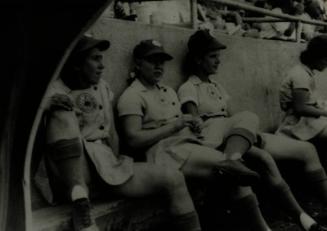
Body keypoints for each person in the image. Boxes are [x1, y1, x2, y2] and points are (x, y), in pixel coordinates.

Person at [117, 39, 283, 231]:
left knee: (236, 172)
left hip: (186, 143)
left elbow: (179, 123)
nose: (158, 66)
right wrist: (174, 127)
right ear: (138, 63)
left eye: (162, 61)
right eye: (152, 60)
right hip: (163, 153)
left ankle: (263, 227)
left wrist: (192, 123)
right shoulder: (132, 96)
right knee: (234, 172)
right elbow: (133, 139)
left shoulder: (167, 90)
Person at [44, 35, 204, 231]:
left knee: (173, 178)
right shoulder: (53, 91)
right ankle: (81, 207)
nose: (102, 65)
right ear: (76, 64)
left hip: (106, 167)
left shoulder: (102, 86)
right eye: (95, 59)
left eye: (101, 58)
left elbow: (112, 133)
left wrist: (118, 162)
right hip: (76, 173)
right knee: (61, 111)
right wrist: (46, 104)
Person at [177, 29, 327, 231]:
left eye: (218, 56)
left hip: (237, 135)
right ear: (197, 59)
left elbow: (232, 117)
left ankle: (306, 218)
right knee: (263, 160)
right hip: (217, 140)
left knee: (307, 150)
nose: (218, 61)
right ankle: (295, 221)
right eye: (212, 57)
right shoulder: (188, 87)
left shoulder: (217, 86)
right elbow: (195, 124)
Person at [277, 35, 327, 161]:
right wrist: (325, 113)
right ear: (316, 57)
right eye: (325, 59)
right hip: (297, 123)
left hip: (307, 120)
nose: (326, 63)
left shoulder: (305, 72)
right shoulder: (300, 75)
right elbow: (300, 108)